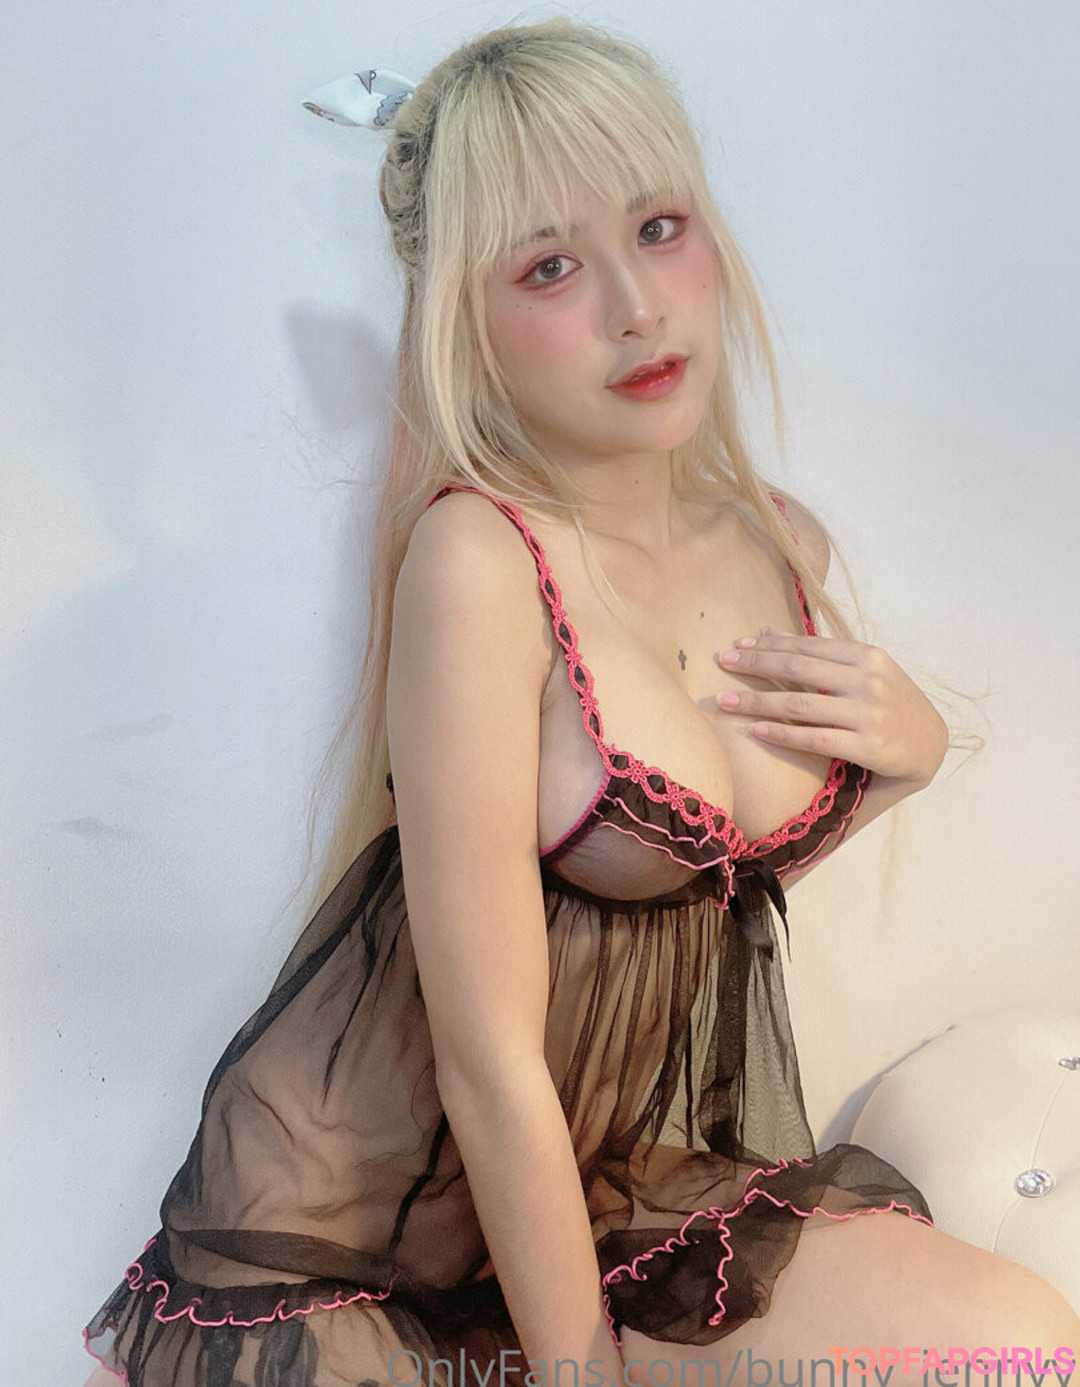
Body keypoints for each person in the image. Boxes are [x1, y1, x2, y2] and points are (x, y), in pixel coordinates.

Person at [82, 16, 1080, 1387]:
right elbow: (490, 1054)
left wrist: (904, 763)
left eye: (659, 229)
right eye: (551, 266)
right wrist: (575, 1372)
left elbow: (695, 892)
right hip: (382, 1221)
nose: (636, 307)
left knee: (1019, 1349)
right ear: (467, 322)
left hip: (621, 1183)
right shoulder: (482, 561)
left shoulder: (776, 542)